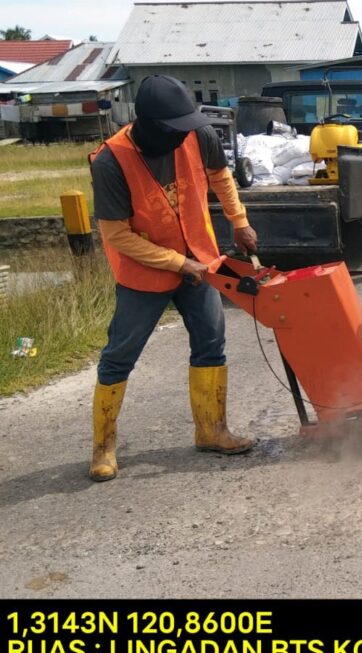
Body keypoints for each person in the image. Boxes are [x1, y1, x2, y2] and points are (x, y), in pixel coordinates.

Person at [87, 74, 259, 482]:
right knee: (119, 354)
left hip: (199, 258)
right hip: (143, 272)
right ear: (150, 125)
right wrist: (177, 263)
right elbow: (116, 235)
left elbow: (220, 177)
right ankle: (102, 447)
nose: (185, 134)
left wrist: (239, 220)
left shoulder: (197, 134)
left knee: (211, 343)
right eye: (175, 129)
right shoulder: (111, 161)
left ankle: (211, 430)